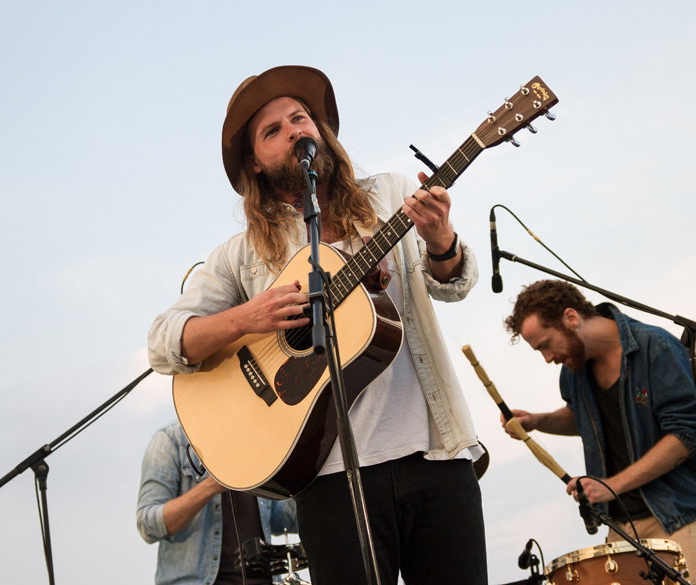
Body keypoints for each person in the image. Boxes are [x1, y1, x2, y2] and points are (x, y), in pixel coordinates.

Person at [147, 65, 487, 585]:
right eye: (274, 131)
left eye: (300, 118)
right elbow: (164, 342)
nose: (295, 131)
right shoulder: (243, 256)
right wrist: (250, 316)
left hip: (435, 456)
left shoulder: (391, 195)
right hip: (327, 479)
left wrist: (441, 241)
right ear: (255, 166)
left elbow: (452, 284)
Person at [502, 279, 696, 585]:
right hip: (619, 523)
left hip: (675, 517)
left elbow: (686, 436)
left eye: (546, 344)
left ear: (571, 318)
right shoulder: (574, 370)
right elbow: (584, 419)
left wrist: (612, 484)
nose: (547, 358)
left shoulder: (656, 347)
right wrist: (538, 420)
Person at [136, 421, 299, 585]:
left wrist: (305, 478)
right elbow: (148, 525)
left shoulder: (256, 440)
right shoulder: (171, 439)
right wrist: (211, 486)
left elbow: (281, 520)